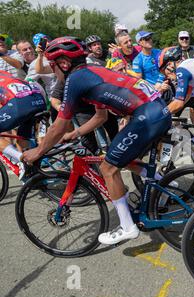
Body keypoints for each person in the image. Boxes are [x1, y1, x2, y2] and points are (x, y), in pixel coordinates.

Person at [22, 37, 172, 245]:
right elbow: (100, 117)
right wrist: (74, 135)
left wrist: (38, 151)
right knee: (119, 157)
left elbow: (58, 125)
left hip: (147, 115)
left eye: (53, 66)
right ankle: (165, 188)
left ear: (64, 63)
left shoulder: (75, 80)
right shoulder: (91, 72)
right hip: (155, 110)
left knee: (108, 168)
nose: (53, 71)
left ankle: (127, 227)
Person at [0, 71, 47, 178]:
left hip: (21, 103)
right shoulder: (3, 73)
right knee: (22, 138)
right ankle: (32, 171)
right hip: (37, 98)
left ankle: (21, 159)